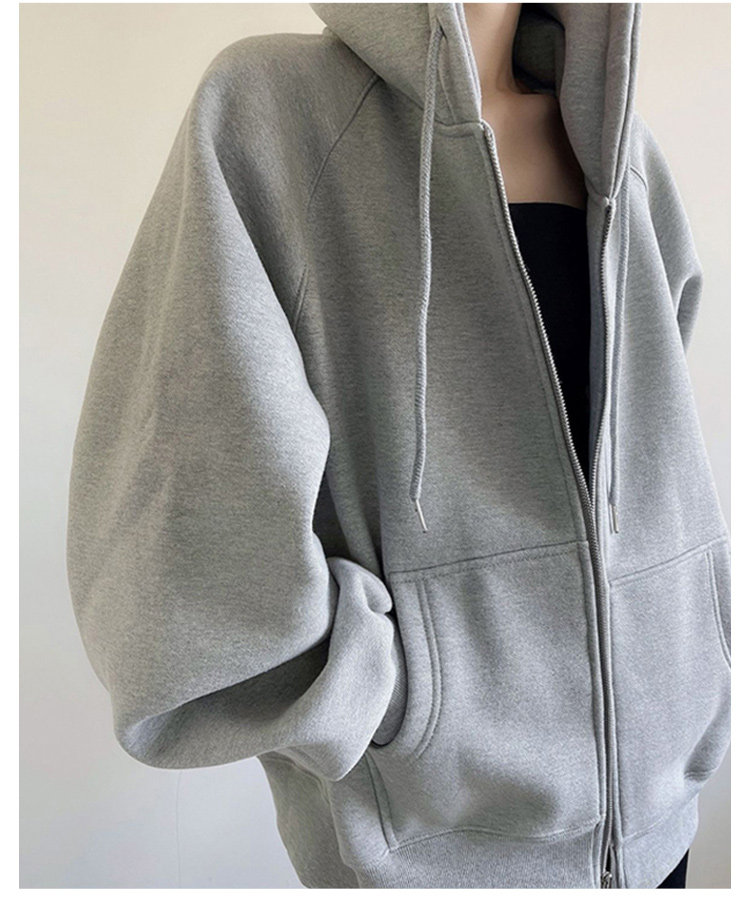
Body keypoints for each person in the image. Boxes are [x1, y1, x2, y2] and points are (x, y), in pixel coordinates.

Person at [66, 2, 730, 889]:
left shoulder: (625, 150)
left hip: (661, 832)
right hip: (430, 853)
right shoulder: (270, 111)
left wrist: (697, 653)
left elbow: (650, 473)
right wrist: (386, 705)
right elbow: (178, 515)